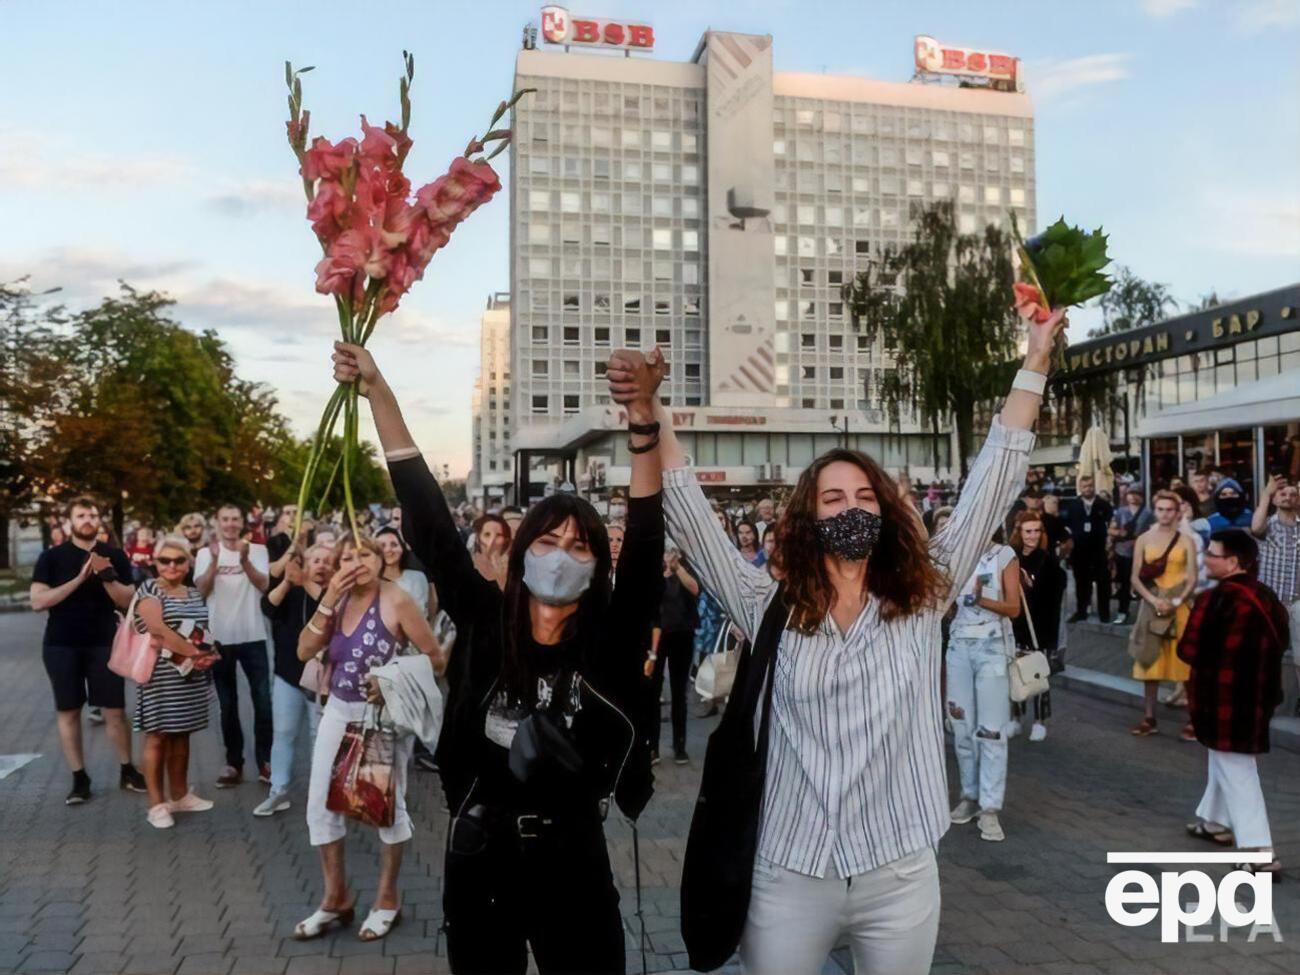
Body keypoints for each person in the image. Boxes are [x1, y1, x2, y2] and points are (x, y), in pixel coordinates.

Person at [654, 297, 1064, 971]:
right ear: (806, 518)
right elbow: (692, 517)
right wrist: (652, 416)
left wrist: (1036, 360)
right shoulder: (766, 603)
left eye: (866, 497)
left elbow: (994, 478)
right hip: (788, 867)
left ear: (888, 514)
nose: (852, 509)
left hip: (898, 868)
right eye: (834, 499)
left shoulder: (922, 594)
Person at [331, 340, 660, 972]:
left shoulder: (606, 642)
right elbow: (426, 517)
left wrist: (643, 418)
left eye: (580, 546)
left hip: (575, 858)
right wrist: (378, 391)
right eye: (549, 539)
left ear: (597, 568)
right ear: (523, 550)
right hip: (482, 854)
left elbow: (646, 542)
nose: (562, 554)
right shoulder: (486, 620)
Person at [294, 534, 446, 942]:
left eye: (365, 554)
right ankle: (335, 898)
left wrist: (391, 678)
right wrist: (327, 600)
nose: (356, 562)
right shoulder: (337, 599)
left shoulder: (395, 599)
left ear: (379, 560)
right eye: (348, 556)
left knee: (385, 808)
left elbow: (436, 658)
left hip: (379, 718)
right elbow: (303, 650)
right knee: (319, 808)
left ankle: (387, 899)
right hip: (336, 712)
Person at [1179, 530, 1289, 875]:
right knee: (1225, 760)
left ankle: (1258, 853)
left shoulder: (1214, 600)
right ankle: (1213, 821)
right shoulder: (1267, 597)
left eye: (1212, 553)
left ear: (1232, 562)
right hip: (1259, 698)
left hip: (1221, 700)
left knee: (1238, 771)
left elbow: (1189, 650)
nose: (1206, 557)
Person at [31, 496, 146, 804]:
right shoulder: (51, 558)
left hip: (105, 643)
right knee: (68, 712)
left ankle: (127, 770)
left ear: (99, 520)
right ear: (69, 522)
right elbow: (38, 601)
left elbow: (127, 601)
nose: (87, 519)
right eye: (81, 514)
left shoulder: (115, 556)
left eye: (92, 515)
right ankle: (79, 778)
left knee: (115, 711)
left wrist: (106, 576)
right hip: (61, 645)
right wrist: (79, 578)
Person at [131, 536, 219, 828]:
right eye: (164, 560)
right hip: (159, 677)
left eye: (178, 560)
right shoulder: (149, 589)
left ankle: (180, 796)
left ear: (188, 563)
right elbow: (155, 630)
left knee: (182, 733)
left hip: (189, 676)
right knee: (157, 736)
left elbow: (200, 631)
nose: (171, 566)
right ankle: (156, 804)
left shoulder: (193, 593)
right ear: (155, 563)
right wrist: (195, 653)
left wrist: (208, 652)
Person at [947, 531, 1020, 840]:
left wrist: (982, 599)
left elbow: (1013, 608)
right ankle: (969, 795)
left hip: (992, 648)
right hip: (958, 646)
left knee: (991, 730)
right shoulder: (955, 554)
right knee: (960, 724)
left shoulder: (1004, 555)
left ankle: (990, 809)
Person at [195, 504, 272, 788]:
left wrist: (245, 560)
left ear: (243, 522)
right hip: (219, 639)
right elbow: (201, 590)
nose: (229, 524)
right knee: (228, 705)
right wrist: (215, 563)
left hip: (253, 636)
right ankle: (233, 763)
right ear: (216, 522)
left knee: (263, 702)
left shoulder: (259, 550)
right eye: (224, 519)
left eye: (234, 519)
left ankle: (266, 762)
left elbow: (264, 585)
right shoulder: (204, 553)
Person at [255, 543, 335, 817]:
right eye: (315, 560)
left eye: (327, 561)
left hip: (321, 679)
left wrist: (306, 583)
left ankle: (321, 794)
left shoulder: (334, 593)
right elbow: (267, 606)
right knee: (284, 734)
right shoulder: (292, 589)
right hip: (287, 675)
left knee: (319, 737)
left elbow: (328, 606)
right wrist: (288, 582)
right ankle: (279, 790)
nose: (321, 565)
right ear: (305, 563)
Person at [1128, 491, 1198, 738]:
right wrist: (1154, 600)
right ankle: (1149, 717)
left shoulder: (1186, 540)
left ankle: (1193, 720)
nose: (1165, 513)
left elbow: (1192, 577)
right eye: (1161, 509)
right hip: (1152, 605)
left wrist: (1177, 601)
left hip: (1180, 608)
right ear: (1155, 510)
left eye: (1170, 509)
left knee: (1185, 665)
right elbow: (1135, 577)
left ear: (1177, 512)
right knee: (1150, 663)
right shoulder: (1144, 539)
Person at [1009, 511, 1066, 742]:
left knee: (1037, 674)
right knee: (1014, 674)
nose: (1032, 536)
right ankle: (1015, 718)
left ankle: (1039, 721)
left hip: (1039, 628)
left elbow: (1054, 602)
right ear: (1019, 533)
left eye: (1036, 531)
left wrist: (1032, 586)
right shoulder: (1011, 558)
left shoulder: (1048, 561)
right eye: (1028, 531)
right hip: (1014, 625)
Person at [643, 545, 700, 765]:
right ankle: (652, 747)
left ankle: (680, 745)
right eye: (666, 550)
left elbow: (695, 589)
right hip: (655, 637)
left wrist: (677, 568)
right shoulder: (652, 570)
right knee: (652, 692)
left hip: (682, 635)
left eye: (673, 551)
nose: (669, 555)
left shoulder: (687, 569)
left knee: (679, 692)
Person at [1251, 476, 1300, 714]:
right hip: (1270, 602)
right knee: (1266, 654)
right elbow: (1255, 528)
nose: (1288, 497)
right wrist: (1265, 495)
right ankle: (1264, 698)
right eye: (1283, 494)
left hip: (1298, 601)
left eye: (1292, 494)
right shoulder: (1267, 524)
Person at [1064, 475, 1114, 623]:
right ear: (1080, 487)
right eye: (1085, 486)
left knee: (1103, 583)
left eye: (1090, 486)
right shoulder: (1073, 505)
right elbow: (1067, 526)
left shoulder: (1103, 504)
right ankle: (1081, 612)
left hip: (1099, 550)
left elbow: (1111, 523)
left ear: (1094, 486)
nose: (1088, 489)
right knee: (1081, 583)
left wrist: (1110, 543)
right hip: (1079, 550)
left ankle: (1104, 614)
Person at [1110, 488, 1152, 623]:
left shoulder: (1148, 513)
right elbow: (1111, 528)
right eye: (1131, 494)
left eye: (1137, 493)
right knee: (1123, 583)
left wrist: (1141, 540)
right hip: (1121, 551)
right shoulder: (1121, 511)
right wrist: (1118, 533)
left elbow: (1153, 532)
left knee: (1142, 583)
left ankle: (1144, 614)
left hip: (1141, 552)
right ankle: (1123, 611)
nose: (1133, 497)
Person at [1192, 478, 1254, 544]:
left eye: (1233, 493)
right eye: (1224, 494)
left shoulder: (1253, 518)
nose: (1229, 497)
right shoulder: (1210, 522)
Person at [469, 513, 511, 591]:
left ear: (505, 540)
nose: (492, 541)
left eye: (499, 535)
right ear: (478, 539)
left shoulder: (513, 569)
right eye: (487, 535)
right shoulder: (467, 567)